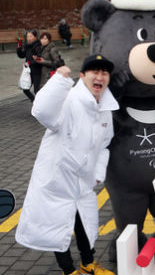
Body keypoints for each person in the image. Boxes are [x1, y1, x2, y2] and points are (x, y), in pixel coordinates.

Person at [15, 54, 118, 275]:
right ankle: (68, 270)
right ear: (82, 76)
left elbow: (105, 143)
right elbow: (42, 112)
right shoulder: (68, 100)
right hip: (57, 181)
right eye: (94, 71)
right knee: (57, 225)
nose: (100, 76)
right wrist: (59, 82)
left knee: (85, 224)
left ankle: (88, 263)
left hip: (82, 183)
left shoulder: (106, 109)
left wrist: (98, 172)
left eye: (104, 72)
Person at [16, 29, 42, 101]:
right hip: (29, 72)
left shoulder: (38, 46)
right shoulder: (28, 46)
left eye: (31, 36)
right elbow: (21, 55)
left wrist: (31, 62)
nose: (29, 38)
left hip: (37, 72)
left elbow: (40, 58)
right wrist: (19, 46)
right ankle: (34, 102)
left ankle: (39, 106)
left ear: (35, 37)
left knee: (37, 91)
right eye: (27, 37)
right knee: (25, 89)